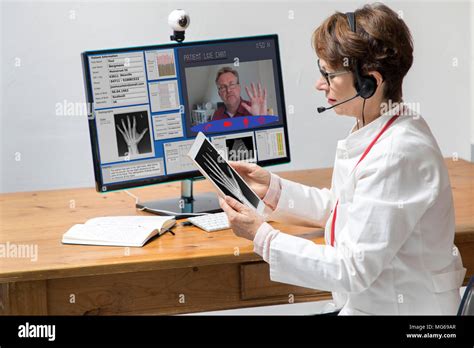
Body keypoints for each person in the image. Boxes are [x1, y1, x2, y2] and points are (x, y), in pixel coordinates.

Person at [219, 3, 466, 315]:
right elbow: (344, 210)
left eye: (329, 74)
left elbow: (352, 269)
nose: (319, 84)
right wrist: (274, 189)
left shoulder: (398, 152)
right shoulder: (381, 124)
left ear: (369, 82)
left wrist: (262, 236)